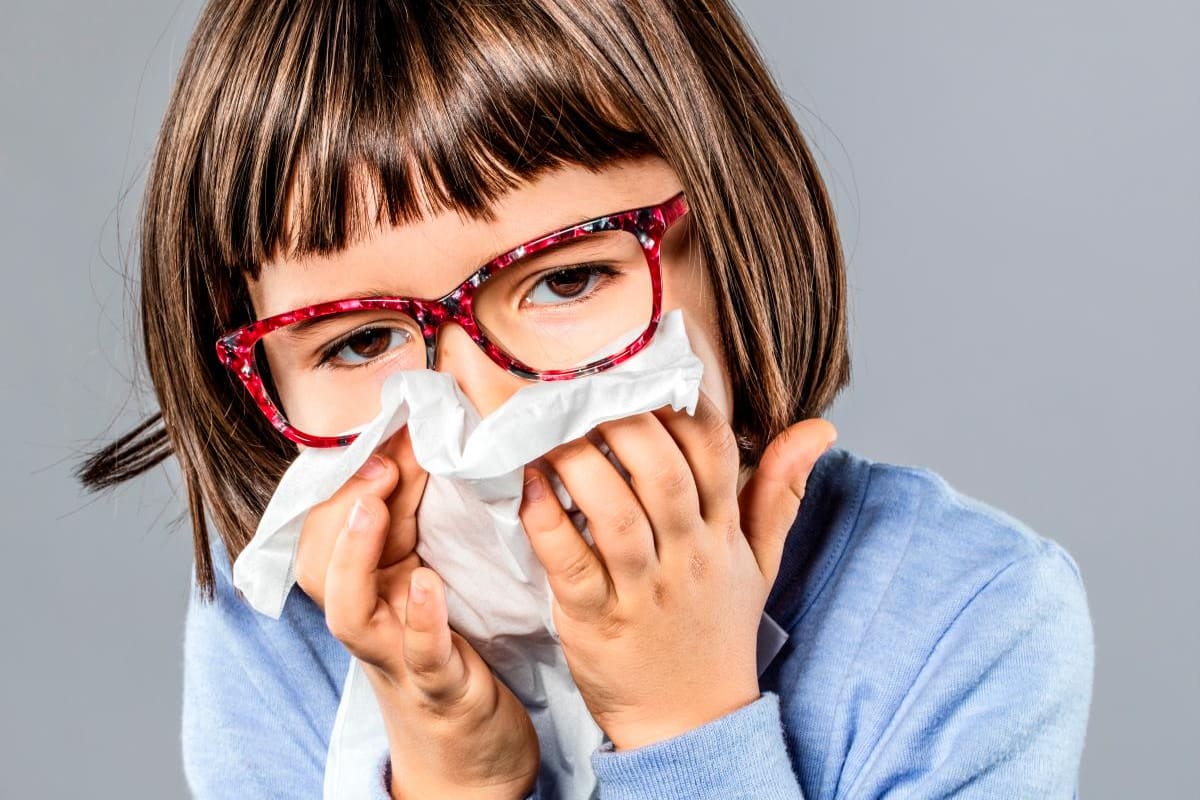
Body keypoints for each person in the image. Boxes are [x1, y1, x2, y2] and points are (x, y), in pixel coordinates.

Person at [79, 0, 1094, 798]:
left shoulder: (966, 617)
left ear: (740, 242)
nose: (474, 413)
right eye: (364, 340)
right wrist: (454, 778)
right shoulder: (273, 646)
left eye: (566, 279)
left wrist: (684, 729)